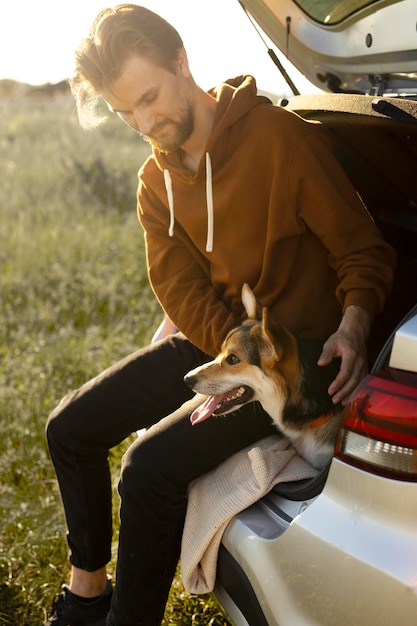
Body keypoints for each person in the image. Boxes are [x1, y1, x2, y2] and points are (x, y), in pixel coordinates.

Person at [44, 4, 396, 625]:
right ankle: (87, 596)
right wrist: (230, 362)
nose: (144, 122)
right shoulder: (155, 182)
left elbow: (362, 250)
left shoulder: (283, 143)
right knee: (68, 429)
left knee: (146, 469)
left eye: (151, 98)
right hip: (223, 345)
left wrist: (356, 321)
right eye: (126, 113)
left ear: (182, 62)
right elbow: (178, 291)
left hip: (292, 361)